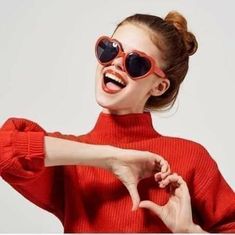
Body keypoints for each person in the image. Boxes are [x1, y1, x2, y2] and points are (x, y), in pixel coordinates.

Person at [0, 11, 234, 233]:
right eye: (110, 50)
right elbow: (4, 149)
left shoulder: (189, 157)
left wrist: (190, 232)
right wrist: (112, 158)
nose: (116, 63)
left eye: (136, 63)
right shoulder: (70, 157)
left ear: (159, 86)